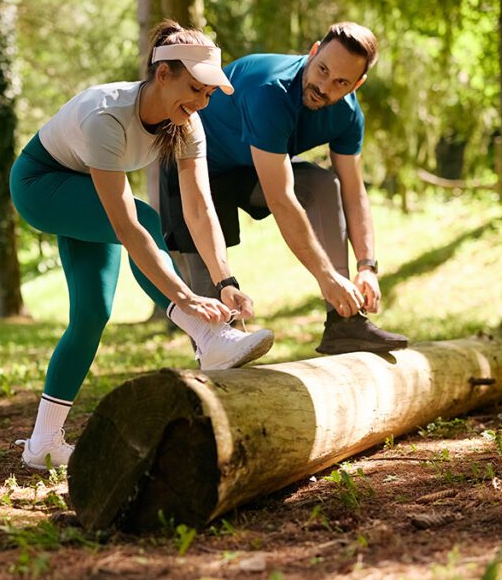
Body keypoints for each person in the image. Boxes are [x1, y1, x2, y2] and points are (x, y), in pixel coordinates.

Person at [9, 20, 274, 470]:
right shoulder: (107, 115)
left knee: (92, 314)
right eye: (195, 88)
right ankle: (206, 334)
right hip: (41, 185)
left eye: (208, 94)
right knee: (146, 218)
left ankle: (43, 444)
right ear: (163, 74)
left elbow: (200, 209)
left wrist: (223, 280)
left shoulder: (187, 124)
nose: (201, 102)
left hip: (85, 192)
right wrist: (187, 298)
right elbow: (130, 227)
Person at [160, 22, 408, 355]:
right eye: (322, 70)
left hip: (251, 169)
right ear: (314, 51)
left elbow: (353, 191)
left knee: (323, 184)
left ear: (357, 85)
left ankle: (344, 323)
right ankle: (215, 367)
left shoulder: (348, 116)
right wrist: (324, 276)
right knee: (214, 311)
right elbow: (280, 199)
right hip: (194, 169)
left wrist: (367, 267)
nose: (324, 86)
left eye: (341, 82)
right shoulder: (271, 91)